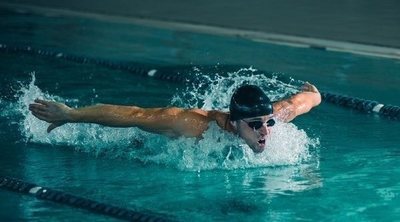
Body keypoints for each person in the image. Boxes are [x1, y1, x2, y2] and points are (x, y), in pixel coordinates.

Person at [29, 82, 321, 153]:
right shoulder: (194, 126)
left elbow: (304, 101)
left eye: (267, 122)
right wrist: (71, 115)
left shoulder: (273, 117)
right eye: (255, 125)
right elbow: (135, 114)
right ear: (233, 123)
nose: (266, 131)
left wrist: (313, 93)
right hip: (145, 139)